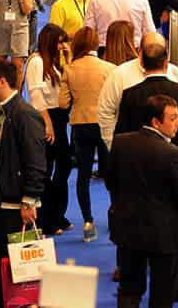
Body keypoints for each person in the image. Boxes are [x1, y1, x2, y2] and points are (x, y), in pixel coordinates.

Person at [106, 94, 178, 308]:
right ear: (156, 122)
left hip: (128, 231)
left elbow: (110, 182)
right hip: (165, 237)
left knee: (128, 290)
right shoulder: (171, 152)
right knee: (162, 295)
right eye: (173, 118)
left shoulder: (120, 142)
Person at [0, 58, 47, 308]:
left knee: (21, 273)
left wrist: (29, 200)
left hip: (17, 211)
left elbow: (36, 162)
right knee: (4, 267)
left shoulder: (25, 115)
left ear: (2, 82)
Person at [114, 39, 178, 182]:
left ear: (142, 64)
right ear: (166, 64)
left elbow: (122, 135)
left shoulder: (130, 95)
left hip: (140, 171)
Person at [58, 27, 114, 243]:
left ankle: (88, 222)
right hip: (104, 125)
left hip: (81, 126)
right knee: (111, 174)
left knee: (83, 175)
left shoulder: (69, 70)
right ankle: (115, 215)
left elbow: (63, 103)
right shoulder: (109, 68)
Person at [97, 31, 178, 151]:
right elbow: (105, 111)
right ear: (139, 51)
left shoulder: (177, 74)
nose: (154, 53)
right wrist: (114, 145)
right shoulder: (119, 75)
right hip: (134, 152)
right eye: (150, 48)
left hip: (174, 153)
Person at [25, 25, 73, 236]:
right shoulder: (36, 62)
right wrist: (47, 123)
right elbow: (35, 95)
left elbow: (68, 86)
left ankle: (57, 214)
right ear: (50, 41)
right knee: (45, 170)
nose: (63, 46)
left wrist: (68, 59)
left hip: (59, 118)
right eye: (60, 42)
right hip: (44, 118)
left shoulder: (55, 63)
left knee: (64, 166)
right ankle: (46, 218)